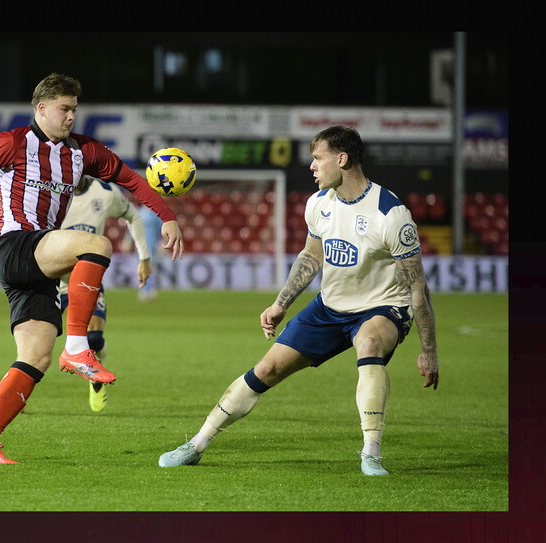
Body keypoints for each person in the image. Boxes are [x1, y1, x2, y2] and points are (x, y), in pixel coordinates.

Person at [0, 73, 184, 464]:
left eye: (74, 110)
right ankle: (79, 348)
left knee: (35, 358)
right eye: (64, 109)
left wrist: (166, 216)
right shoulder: (11, 143)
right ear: (41, 108)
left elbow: (132, 181)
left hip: (38, 266)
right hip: (15, 244)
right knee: (97, 244)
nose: (70, 117)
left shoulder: (84, 151)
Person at [157, 126, 438, 475]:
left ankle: (371, 453)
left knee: (368, 342)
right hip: (331, 307)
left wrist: (429, 351)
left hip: (382, 307)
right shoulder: (319, 204)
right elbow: (310, 257)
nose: (312, 167)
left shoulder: (391, 215)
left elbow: (417, 287)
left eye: (318, 158)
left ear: (342, 158)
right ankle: (197, 443)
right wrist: (280, 304)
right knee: (267, 369)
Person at [59, 174, 153, 412]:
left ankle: (94, 375)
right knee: (38, 348)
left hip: (87, 279)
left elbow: (133, 215)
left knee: (94, 340)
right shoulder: (51, 193)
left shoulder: (105, 192)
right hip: (52, 279)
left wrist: (144, 258)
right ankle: (19, 392)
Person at [136, 205, 163, 302]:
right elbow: (132, 227)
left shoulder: (155, 213)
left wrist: (162, 242)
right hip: (139, 244)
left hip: (151, 244)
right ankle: (144, 289)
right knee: (141, 267)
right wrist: (127, 240)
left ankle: (151, 289)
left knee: (150, 267)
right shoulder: (138, 212)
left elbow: (162, 228)